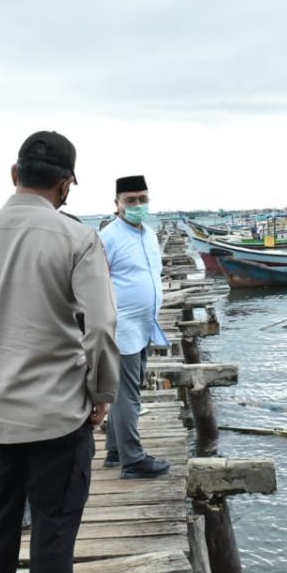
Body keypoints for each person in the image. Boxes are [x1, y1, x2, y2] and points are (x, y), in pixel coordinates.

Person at [0, 130, 121, 573]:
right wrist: (101, 394)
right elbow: (100, 329)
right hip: (58, 419)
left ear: (15, 174)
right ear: (67, 184)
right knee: (53, 537)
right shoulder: (80, 239)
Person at [99, 174, 172, 480]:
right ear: (116, 204)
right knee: (128, 394)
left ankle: (115, 451)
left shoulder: (150, 235)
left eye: (143, 199)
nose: (138, 205)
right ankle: (133, 460)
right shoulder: (107, 238)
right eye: (131, 200)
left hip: (145, 324)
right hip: (122, 325)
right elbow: (95, 283)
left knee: (125, 390)